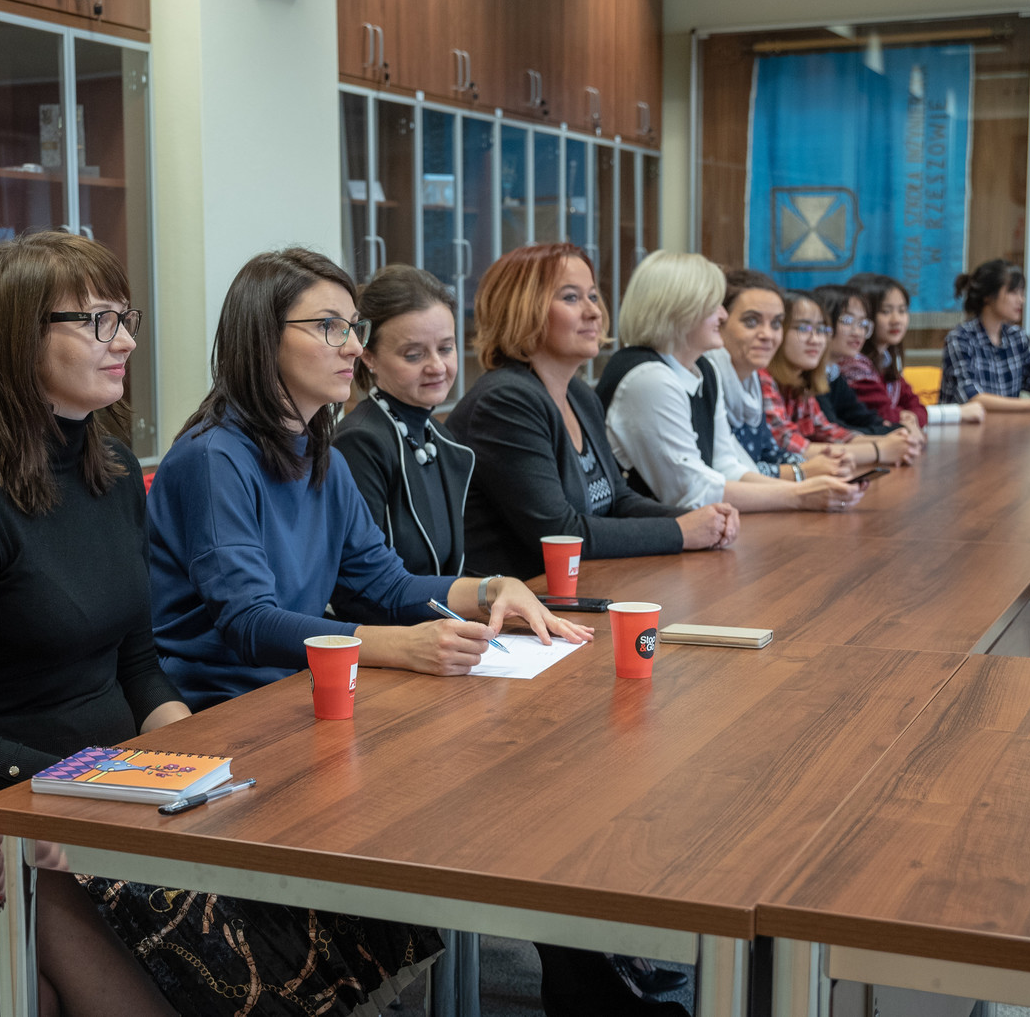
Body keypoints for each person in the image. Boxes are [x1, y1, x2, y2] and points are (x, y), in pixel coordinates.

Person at [0, 231, 185, 1017]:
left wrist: (188, 763)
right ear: (21, 337)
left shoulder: (115, 471)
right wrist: (103, 786)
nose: (124, 341)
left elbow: (140, 665)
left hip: (118, 792)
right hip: (20, 806)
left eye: (124, 318)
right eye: (96, 321)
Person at [150, 246, 594, 712]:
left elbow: (385, 586)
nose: (354, 348)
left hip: (303, 688)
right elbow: (250, 623)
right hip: (219, 708)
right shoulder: (213, 457)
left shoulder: (323, 457)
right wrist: (401, 646)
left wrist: (492, 589)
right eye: (329, 326)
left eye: (352, 327)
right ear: (265, 337)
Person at [447, 243, 737, 583]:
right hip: (511, 601)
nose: (594, 312)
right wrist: (681, 531)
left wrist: (700, 519)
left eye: (594, 296)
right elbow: (559, 534)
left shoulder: (579, 395)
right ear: (522, 310)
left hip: (574, 585)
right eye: (571, 298)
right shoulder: (505, 402)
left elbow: (618, 499)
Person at [596, 250, 863, 514]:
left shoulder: (704, 370)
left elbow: (726, 467)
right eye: (714, 306)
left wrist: (808, 488)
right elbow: (691, 492)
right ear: (678, 309)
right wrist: (801, 494)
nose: (723, 315)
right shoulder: (649, 379)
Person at [332, 264, 474, 579]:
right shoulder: (359, 442)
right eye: (413, 355)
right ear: (368, 356)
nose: (437, 366)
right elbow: (362, 580)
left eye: (446, 348)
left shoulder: (441, 438)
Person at [702, 269, 854, 482]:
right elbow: (725, 474)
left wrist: (825, 464)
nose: (768, 335)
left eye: (775, 324)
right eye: (751, 322)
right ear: (719, 323)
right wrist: (805, 472)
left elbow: (771, 452)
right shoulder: (705, 380)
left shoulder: (752, 380)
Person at [762, 289, 915, 470]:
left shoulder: (801, 382)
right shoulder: (763, 379)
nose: (815, 339)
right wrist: (879, 449)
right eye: (803, 328)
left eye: (821, 330)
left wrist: (897, 440)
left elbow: (829, 432)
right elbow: (790, 446)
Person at [846, 273, 983, 426]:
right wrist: (905, 416)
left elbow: (916, 406)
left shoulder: (887, 360)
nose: (896, 320)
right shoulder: (854, 365)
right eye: (885, 311)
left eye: (902, 310)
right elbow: (885, 415)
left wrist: (907, 416)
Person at [800, 286, 923, 450]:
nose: (857, 332)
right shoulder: (809, 376)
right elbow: (832, 430)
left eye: (863, 324)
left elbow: (862, 416)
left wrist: (900, 430)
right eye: (847, 321)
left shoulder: (833, 373)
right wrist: (900, 432)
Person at [940, 259, 1030, 411]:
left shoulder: (1018, 338)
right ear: (988, 296)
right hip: (964, 425)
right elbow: (972, 398)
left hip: (1006, 425)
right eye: (1013, 292)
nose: (1021, 300)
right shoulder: (960, 338)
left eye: (1022, 293)